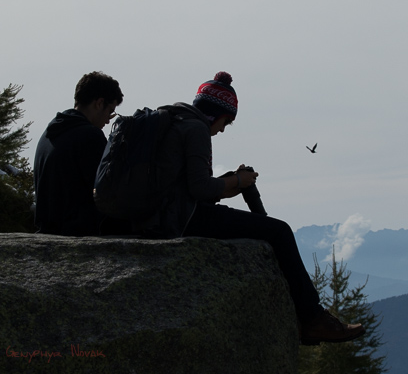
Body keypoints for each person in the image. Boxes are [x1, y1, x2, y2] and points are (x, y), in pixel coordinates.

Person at [135, 71, 365, 345]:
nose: (222, 129)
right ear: (216, 113)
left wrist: (231, 183)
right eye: (226, 122)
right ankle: (314, 319)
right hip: (181, 220)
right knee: (279, 231)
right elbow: (200, 189)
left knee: (273, 229)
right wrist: (238, 180)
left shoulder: (176, 120)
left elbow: (185, 186)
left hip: (161, 214)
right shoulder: (196, 129)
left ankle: (311, 319)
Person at [33, 71, 125, 236]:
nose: (108, 120)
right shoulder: (89, 136)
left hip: (48, 233)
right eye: (110, 111)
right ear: (99, 103)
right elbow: (106, 193)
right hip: (77, 238)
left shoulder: (49, 133)